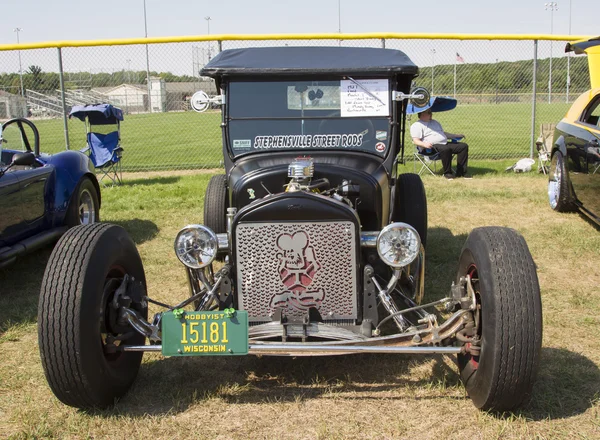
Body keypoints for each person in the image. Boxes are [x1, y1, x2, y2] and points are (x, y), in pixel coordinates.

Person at [410, 109, 470, 179]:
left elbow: (442, 134)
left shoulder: (435, 122)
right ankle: (448, 173)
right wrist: (424, 144)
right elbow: (415, 141)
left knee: (463, 146)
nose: (431, 114)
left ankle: (461, 172)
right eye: (429, 113)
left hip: (443, 143)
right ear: (422, 114)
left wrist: (455, 135)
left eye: (431, 112)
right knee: (445, 149)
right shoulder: (417, 125)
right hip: (429, 148)